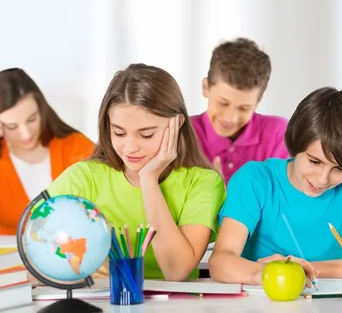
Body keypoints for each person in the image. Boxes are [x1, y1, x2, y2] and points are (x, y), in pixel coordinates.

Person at [208, 87, 342, 285]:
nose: (322, 179)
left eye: (339, 169)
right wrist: (273, 272)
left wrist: (307, 269)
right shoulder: (254, 180)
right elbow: (221, 261)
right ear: (295, 144)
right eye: (314, 161)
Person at [45, 63, 225, 281]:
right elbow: (32, 243)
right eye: (119, 133)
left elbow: (175, 270)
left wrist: (149, 179)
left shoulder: (202, 182)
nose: (130, 148)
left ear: (177, 126)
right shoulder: (85, 177)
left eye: (146, 135)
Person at [0, 68, 94, 241]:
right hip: (13, 266)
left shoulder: (76, 147)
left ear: (42, 110)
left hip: (78, 263)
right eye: (12, 127)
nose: (26, 134)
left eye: (32, 119)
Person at [191, 38, 289, 184]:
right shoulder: (185, 133)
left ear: (258, 100)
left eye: (244, 108)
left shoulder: (277, 134)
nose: (230, 118)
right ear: (205, 87)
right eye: (223, 103)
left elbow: (282, 200)